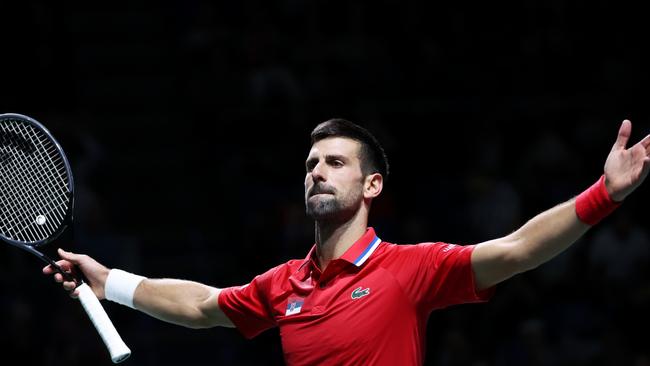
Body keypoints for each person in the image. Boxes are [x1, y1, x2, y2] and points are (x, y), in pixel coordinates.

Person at [44, 118, 650, 365]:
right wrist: (107, 281)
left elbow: (517, 250)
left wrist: (605, 194)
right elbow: (202, 308)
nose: (316, 170)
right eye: (311, 163)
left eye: (334, 162)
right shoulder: (285, 285)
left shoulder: (410, 269)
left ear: (371, 184)